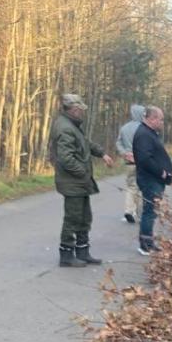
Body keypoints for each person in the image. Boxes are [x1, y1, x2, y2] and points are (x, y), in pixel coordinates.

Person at [49, 93, 113, 267]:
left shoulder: (72, 125)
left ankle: (83, 252)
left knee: (85, 217)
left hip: (78, 182)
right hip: (72, 182)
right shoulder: (64, 127)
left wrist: (102, 153)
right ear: (75, 110)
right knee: (73, 218)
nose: (83, 113)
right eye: (81, 110)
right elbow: (65, 158)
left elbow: (85, 143)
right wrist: (83, 173)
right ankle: (66, 256)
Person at [132, 106, 172, 255]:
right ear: (152, 119)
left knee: (152, 211)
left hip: (154, 180)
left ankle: (149, 241)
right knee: (149, 211)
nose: (162, 122)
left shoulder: (149, 133)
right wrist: (161, 172)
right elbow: (145, 158)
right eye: (161, 119)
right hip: (150, 180)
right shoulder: (144, 134)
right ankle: (145, 245)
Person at [115, 103, 146, 224]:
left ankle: (129, 211)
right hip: (142, 163)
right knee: (140, 187)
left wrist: (125, 154)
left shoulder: (124, 128)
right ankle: (137, 213)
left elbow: (118, 143)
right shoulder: (144, 128)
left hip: (129, 162)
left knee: (131, 186)